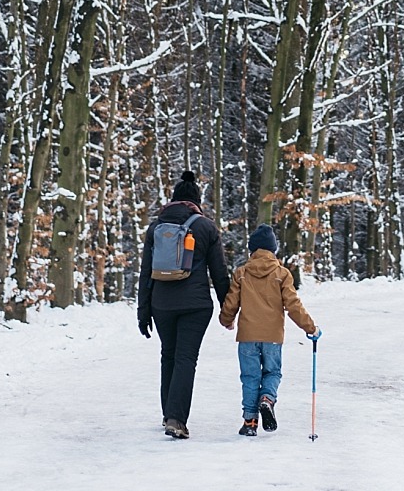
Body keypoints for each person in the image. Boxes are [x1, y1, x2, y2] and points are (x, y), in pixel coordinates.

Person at [137, 171, 230, 439]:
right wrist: (228, 309)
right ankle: (176, 420)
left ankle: (169, 413)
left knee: (168, 355)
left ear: (174, 201)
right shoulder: (205, 227)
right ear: (196, 202)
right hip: (195, 305)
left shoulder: (156, 228)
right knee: (186, 358)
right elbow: (219, 273)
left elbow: (146, 273)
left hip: (161, 304)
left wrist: (143, 312)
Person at [218, 223, 319, 436]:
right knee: (272, 372)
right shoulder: (281, 274)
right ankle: (267, 398)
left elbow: (231, 302)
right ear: (273, 250)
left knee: (249, 377)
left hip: (247, 337)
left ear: (252, 250)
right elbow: (293, 305)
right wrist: (310, 328)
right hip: (273, 337)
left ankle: (250, 423)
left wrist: (227, 320)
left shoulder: (242, 273)